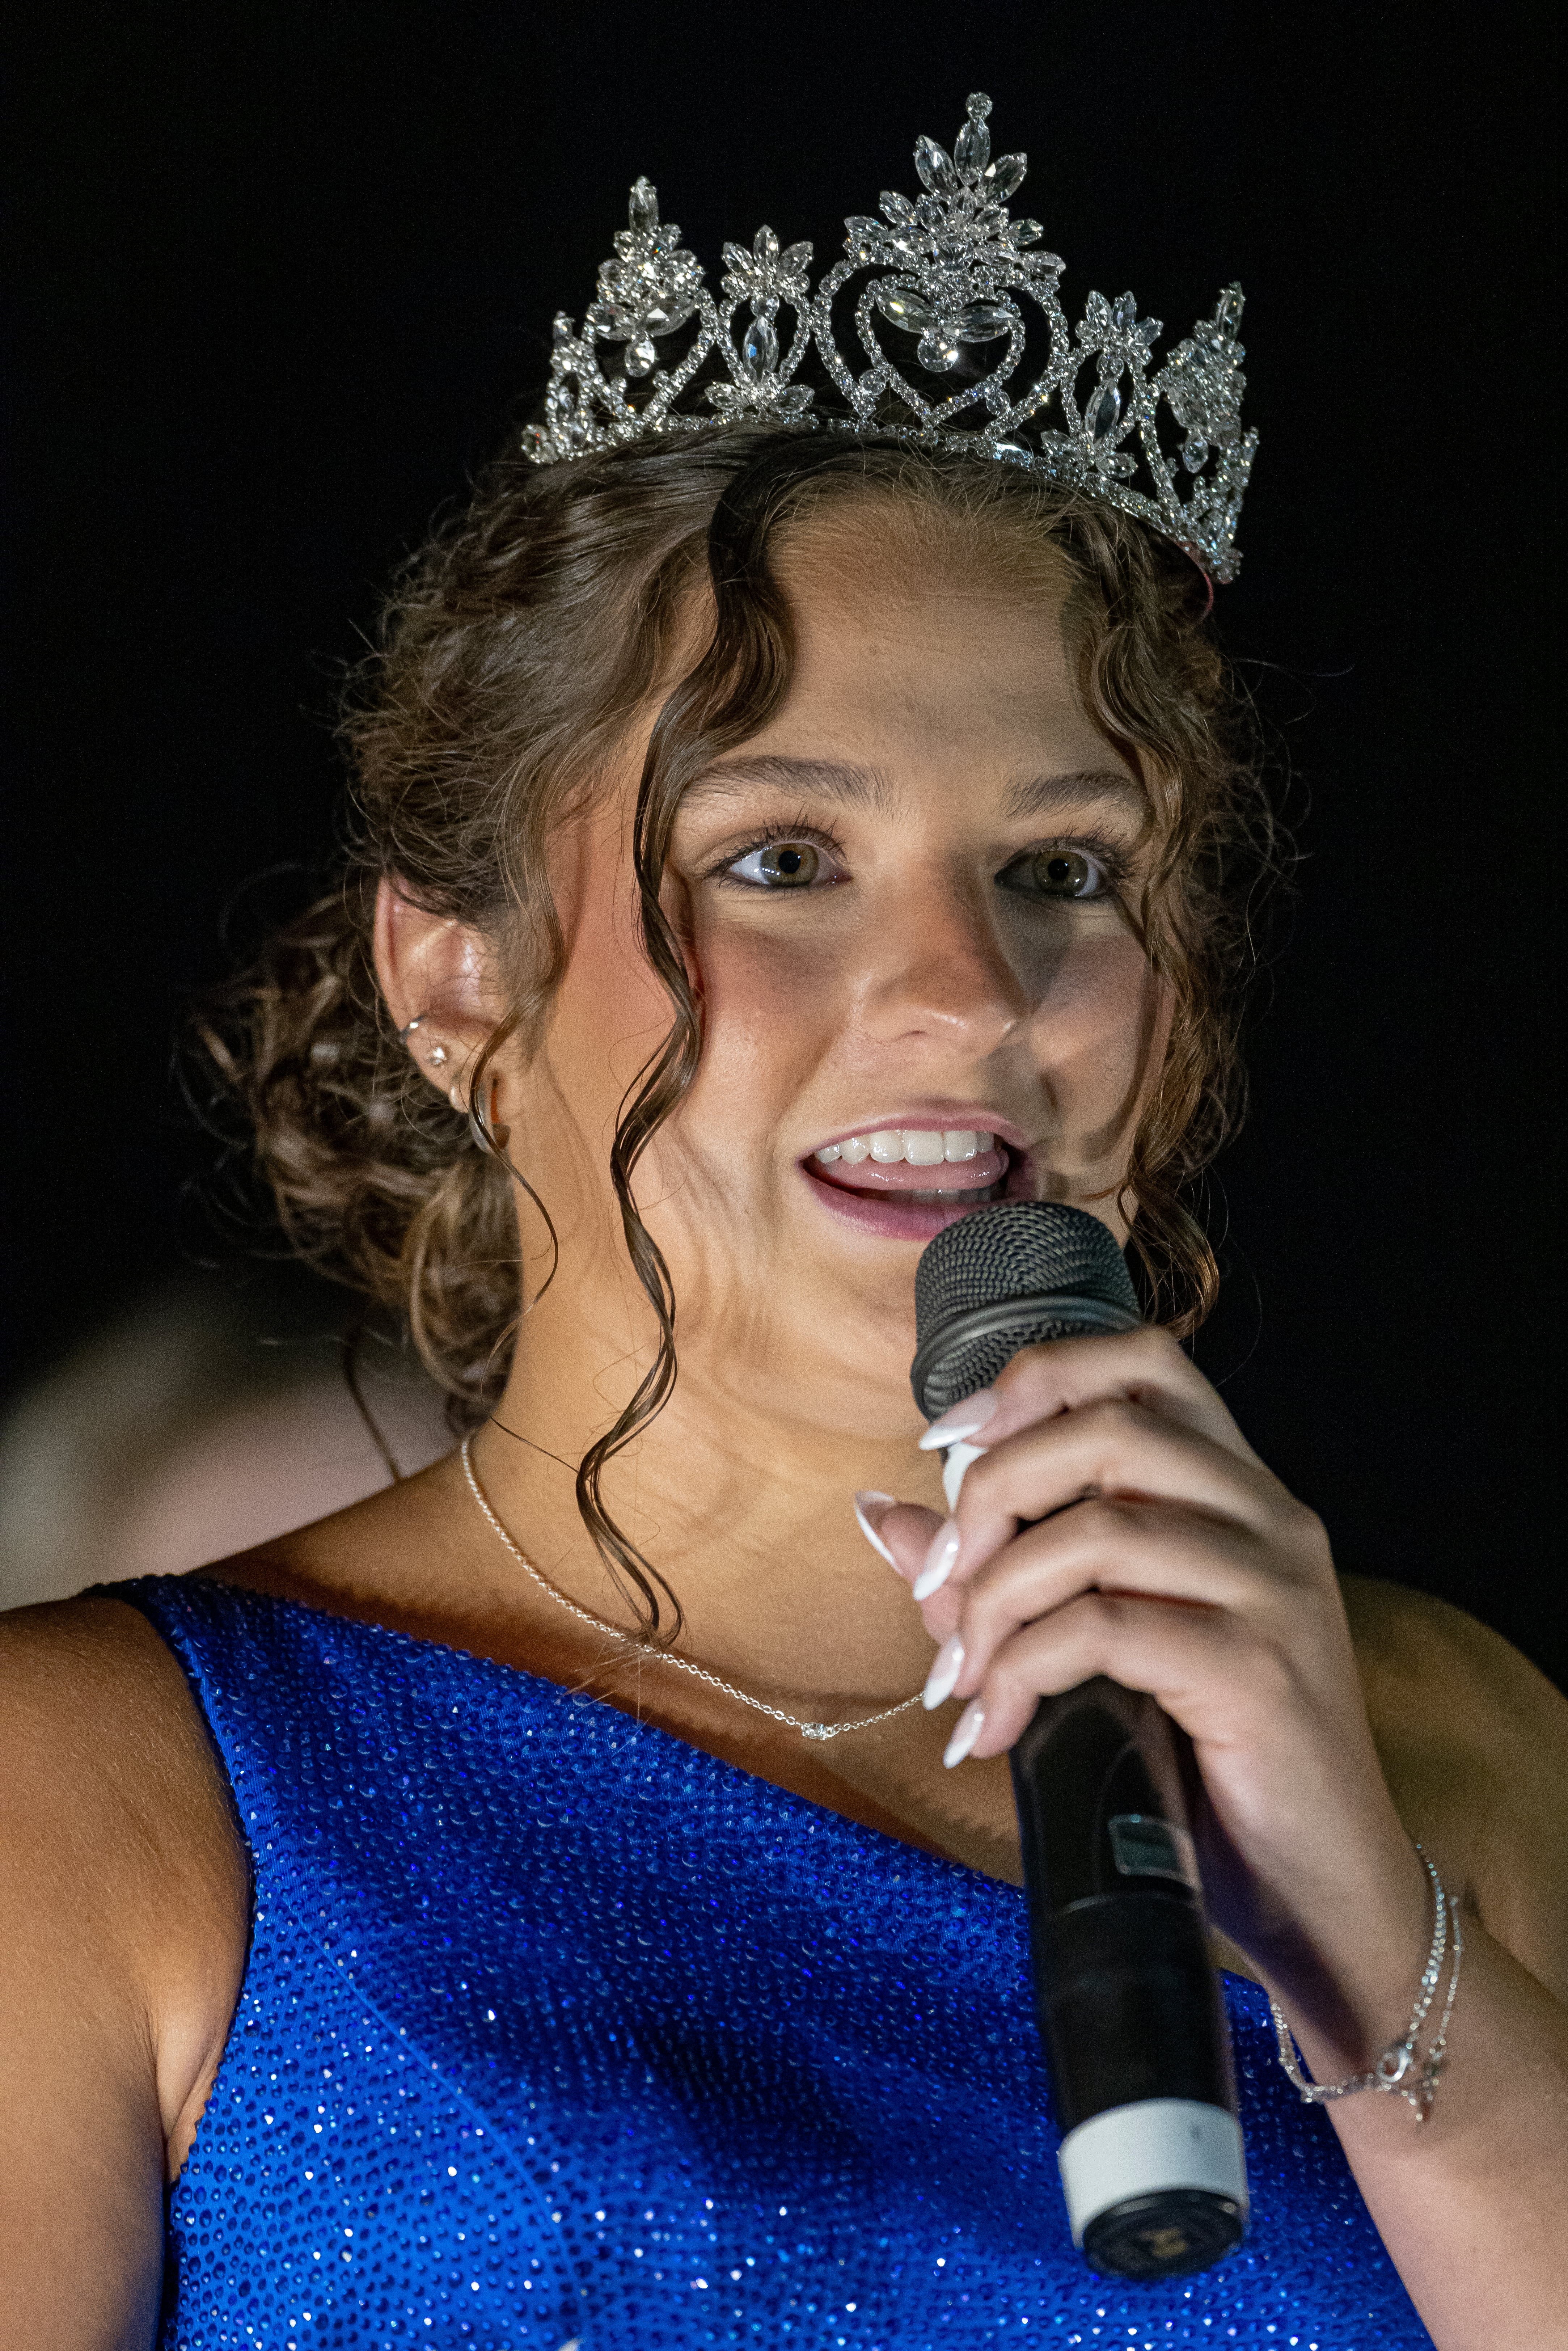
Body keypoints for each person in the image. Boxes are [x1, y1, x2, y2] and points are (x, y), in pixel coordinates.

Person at [2, 95, 1564, 2351]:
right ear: (460, 976)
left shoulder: (1454, 1747)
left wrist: (1370, 1938)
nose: (964, 995)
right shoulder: (107, 1795)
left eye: (1062, 873)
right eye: (784, 860)